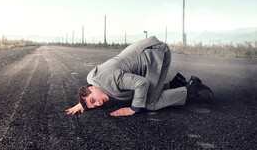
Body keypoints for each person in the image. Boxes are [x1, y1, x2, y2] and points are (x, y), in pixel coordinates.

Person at [65, 36, 214, 117]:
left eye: (93, 100)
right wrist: (84, 102)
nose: (99, 104)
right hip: (146, 50)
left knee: (148, 103)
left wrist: (133, 109)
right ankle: (176, 84)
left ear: (92, 88)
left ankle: (192, 89)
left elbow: (142, 84)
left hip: (156, 54)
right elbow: (90, 92)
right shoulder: (92, 77)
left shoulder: (112, 81)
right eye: (95, 105)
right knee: (137, 94)